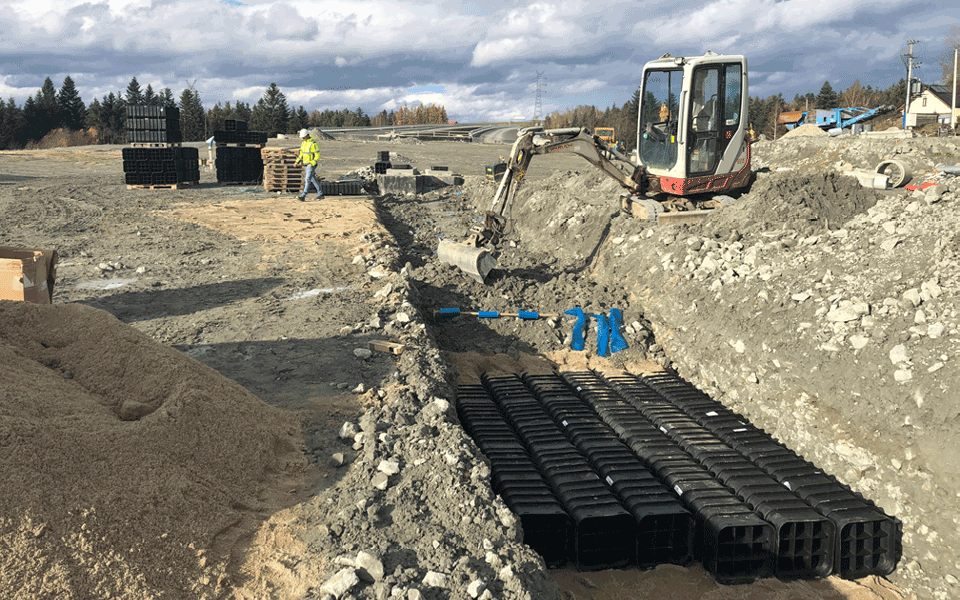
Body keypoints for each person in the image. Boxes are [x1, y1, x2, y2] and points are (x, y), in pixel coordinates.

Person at [295, 128, 324, 201]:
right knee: (313, 179)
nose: (303, 139)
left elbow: (317, 155)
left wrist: (312, 163)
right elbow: (301, 154)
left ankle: (303, 196)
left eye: (304, 137)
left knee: (307, 179)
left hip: (310, 165)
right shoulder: (303, 143)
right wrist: (297, 161)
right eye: (302, 137)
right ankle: (321, 194)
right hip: (305, 164)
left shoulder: (313, 144)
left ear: (308, 135)